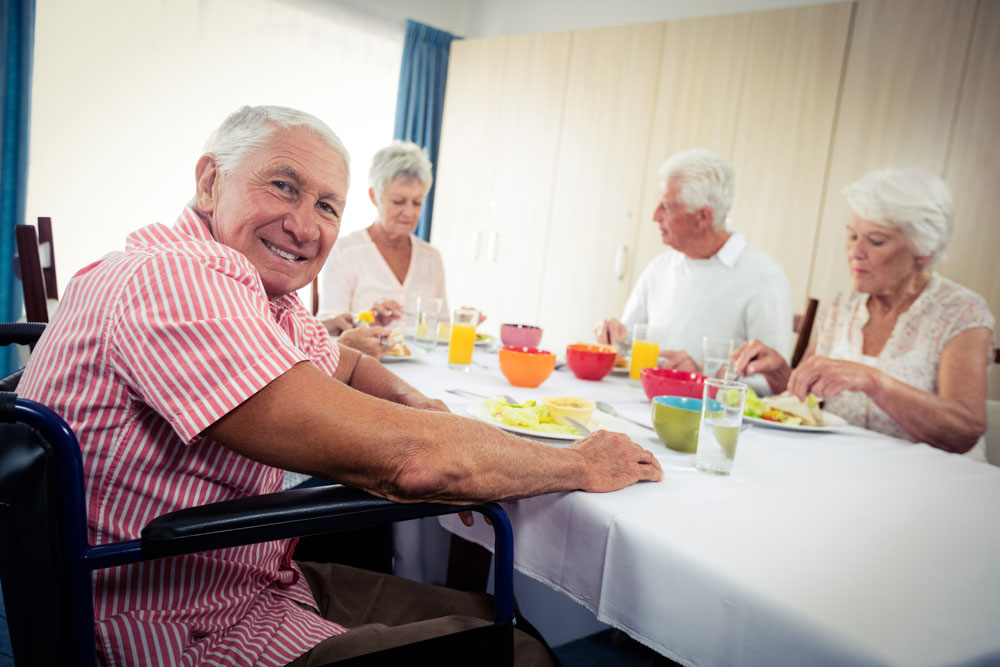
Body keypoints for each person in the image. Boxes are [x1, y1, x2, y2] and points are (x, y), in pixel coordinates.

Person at [17, 106, 663, 667]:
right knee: (516, 649)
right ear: (210, 182)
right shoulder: (181, 282)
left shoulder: (259, 295)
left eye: (326, 205)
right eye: (283, 186)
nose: (305, 224)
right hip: (179, 626)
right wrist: (579, 460)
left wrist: (417, 401)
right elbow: (412, 462)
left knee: (495, 613)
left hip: (252, 580)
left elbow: (344, 364)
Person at [732, 167, 995, 460]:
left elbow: (964, 430)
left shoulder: (961, 312)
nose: (855, 251)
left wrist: (873, 381)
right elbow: (809, 405)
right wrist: (780, 372)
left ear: (924, 249)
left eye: (876, 241)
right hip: (847, 467)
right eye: (852, 236)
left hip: (936, 482)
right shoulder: (843, 305)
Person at [595, 149, 793, 392]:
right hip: (642, 404)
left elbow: (777, 385)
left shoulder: (764, 277)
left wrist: (701, 378)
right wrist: (613, 334)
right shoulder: (660, 268)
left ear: (702, 217)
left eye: (667, 206)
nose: (654, 216)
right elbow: (627, 350)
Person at [317, 140, 448, 359]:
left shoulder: (431, 258)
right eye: (398, 201)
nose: (409, 212)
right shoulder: (345, 251)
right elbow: (326, 331)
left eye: (417, 202)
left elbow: (443, 327)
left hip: (425, 366)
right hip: (365, 367)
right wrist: (366, 318)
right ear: (374, 197)